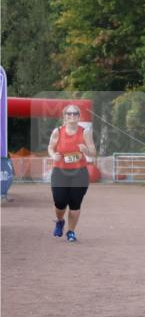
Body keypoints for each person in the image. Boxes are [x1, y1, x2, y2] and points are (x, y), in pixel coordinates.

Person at [47, 104, 96, 242]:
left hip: (79, 173)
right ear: (65, 116)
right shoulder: (57, 131)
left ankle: (71, 232)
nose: (72, 116)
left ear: (79, 116)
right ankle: (60, 220)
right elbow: (50, 147)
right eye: (69, 114)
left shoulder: (85, 132)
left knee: (75, 204)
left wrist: (86, 150)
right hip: (60, 172)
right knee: (60, 202)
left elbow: (93, 152)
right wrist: (53, 155)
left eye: (75, 114)